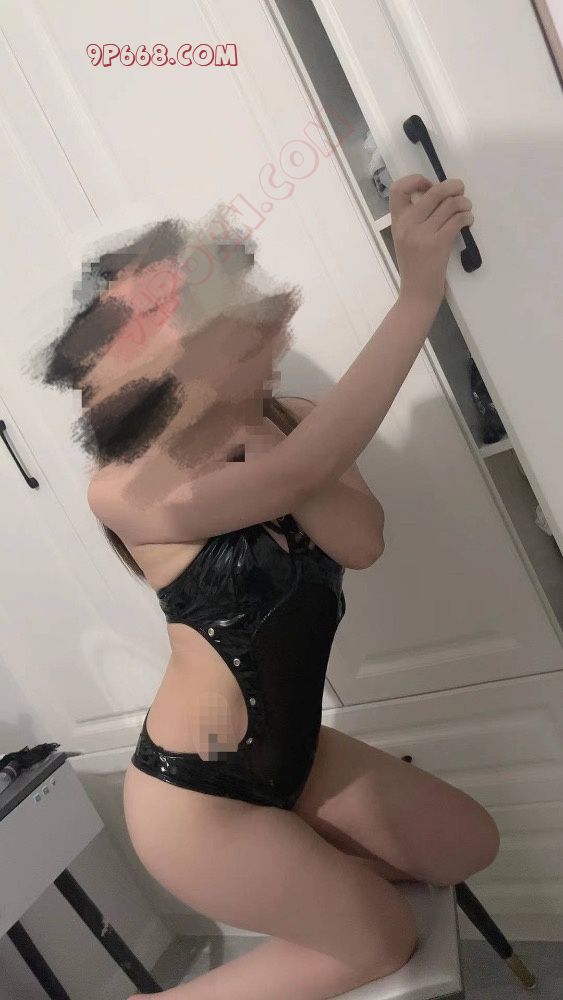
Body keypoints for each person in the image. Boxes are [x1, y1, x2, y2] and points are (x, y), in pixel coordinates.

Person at [40, 175, 499, 999]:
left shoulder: (294, 419)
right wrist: (416, 294)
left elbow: (360, 542)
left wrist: (259, 428)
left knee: (468, 845)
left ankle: (303, 868)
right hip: (194, 797)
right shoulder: (123, 485)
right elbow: (294, 478)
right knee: (381, 942)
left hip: (297, 754)